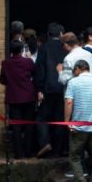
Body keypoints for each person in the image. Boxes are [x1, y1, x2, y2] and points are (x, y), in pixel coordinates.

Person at [33, 22, 67, 157]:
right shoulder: (65, 47)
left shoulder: (43, 48)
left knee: (42, 118)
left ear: (48, 34)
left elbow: (40, 69)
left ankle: (45, 143)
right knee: (60, 118)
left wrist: (39, 88)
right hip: (63, 88)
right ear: (61, 34)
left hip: (47, 88)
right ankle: (59, 149)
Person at [0, 39, 36, 158]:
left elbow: (2, 79)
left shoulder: (6, 63)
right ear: (21, 50)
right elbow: (34, 74)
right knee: (29, 126)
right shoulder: (28, 62)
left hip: (14, 98)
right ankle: (28, 152)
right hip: (28, 97)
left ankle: (18, 153)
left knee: (16, 126)